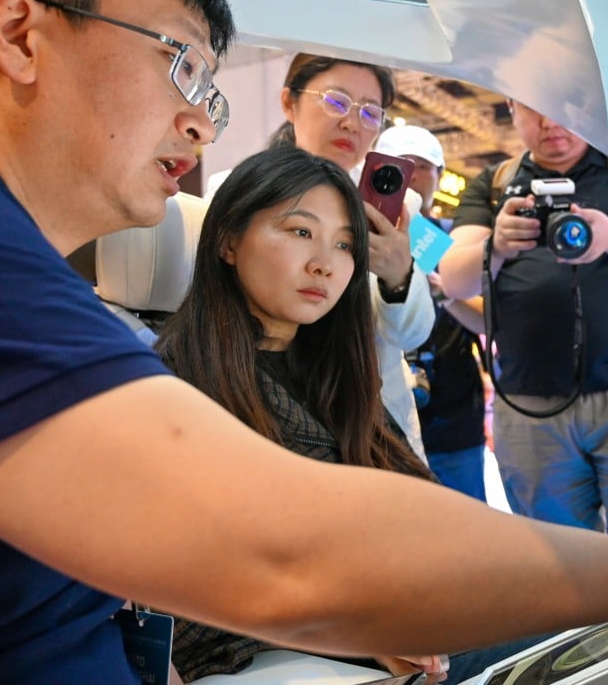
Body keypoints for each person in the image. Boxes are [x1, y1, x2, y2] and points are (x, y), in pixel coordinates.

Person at [0, 0, 608, 683]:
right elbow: (279, 550)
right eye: (181, 63)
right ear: (18, 32)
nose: (197, 122)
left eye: (343, 245)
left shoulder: (10, 263)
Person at [156, 146, 529, 682]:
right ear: (228, 241)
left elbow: (417, 504)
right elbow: (206, 574)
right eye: (300, 232)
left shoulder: (337, 374)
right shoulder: (175, 385)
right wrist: (363, 626)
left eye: (345, 244)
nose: (324, 264)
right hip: (286, 641)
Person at [438, 99, 608, 532]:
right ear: (511, 107)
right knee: (557, 554)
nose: (550, 121)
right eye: (533, 107)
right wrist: (496, 246)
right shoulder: (494, 185)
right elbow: (452, 279)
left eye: (564, 103)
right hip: (529, 403)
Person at [271, 53, 435, 460]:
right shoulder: (241, 193)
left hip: (373, 418)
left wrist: (399, 276)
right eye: (336, 101)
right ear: (290, 102)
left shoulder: (403, 210)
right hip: (273, 404)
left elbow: (413, 334)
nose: (352, 123)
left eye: (370, 112)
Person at [375, 124, 489, 500]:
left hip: (455, 416)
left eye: (423, 166)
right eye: (402, 164)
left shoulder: (458, 243)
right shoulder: (362, 235)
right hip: (384, 413)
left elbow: (488, 317)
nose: (412, 174)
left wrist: (445, 291)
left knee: (466, 522)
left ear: (440, 175)